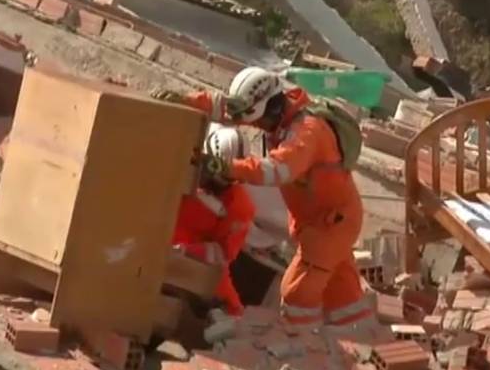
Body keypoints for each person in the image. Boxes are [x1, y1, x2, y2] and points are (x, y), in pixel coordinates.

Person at [153, 67, 373, 330]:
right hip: (320, 220)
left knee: (296, 292)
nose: (255, 126)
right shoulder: (276, 112)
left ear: (273, 108)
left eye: (259, 120)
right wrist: (186, 100)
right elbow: (227, 107)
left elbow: (277, 169)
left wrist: (228, 167)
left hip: (330, 223)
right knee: (342, 293)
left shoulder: (308, 132)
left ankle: (303, 343)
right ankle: (359, 334)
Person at [171, 126, 255, 317]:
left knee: (233, 314)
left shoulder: (239, 206)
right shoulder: (177, 164)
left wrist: (184, 251)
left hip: (187, 260)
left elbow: (222, 254)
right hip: (146, 243)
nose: (218, 183)